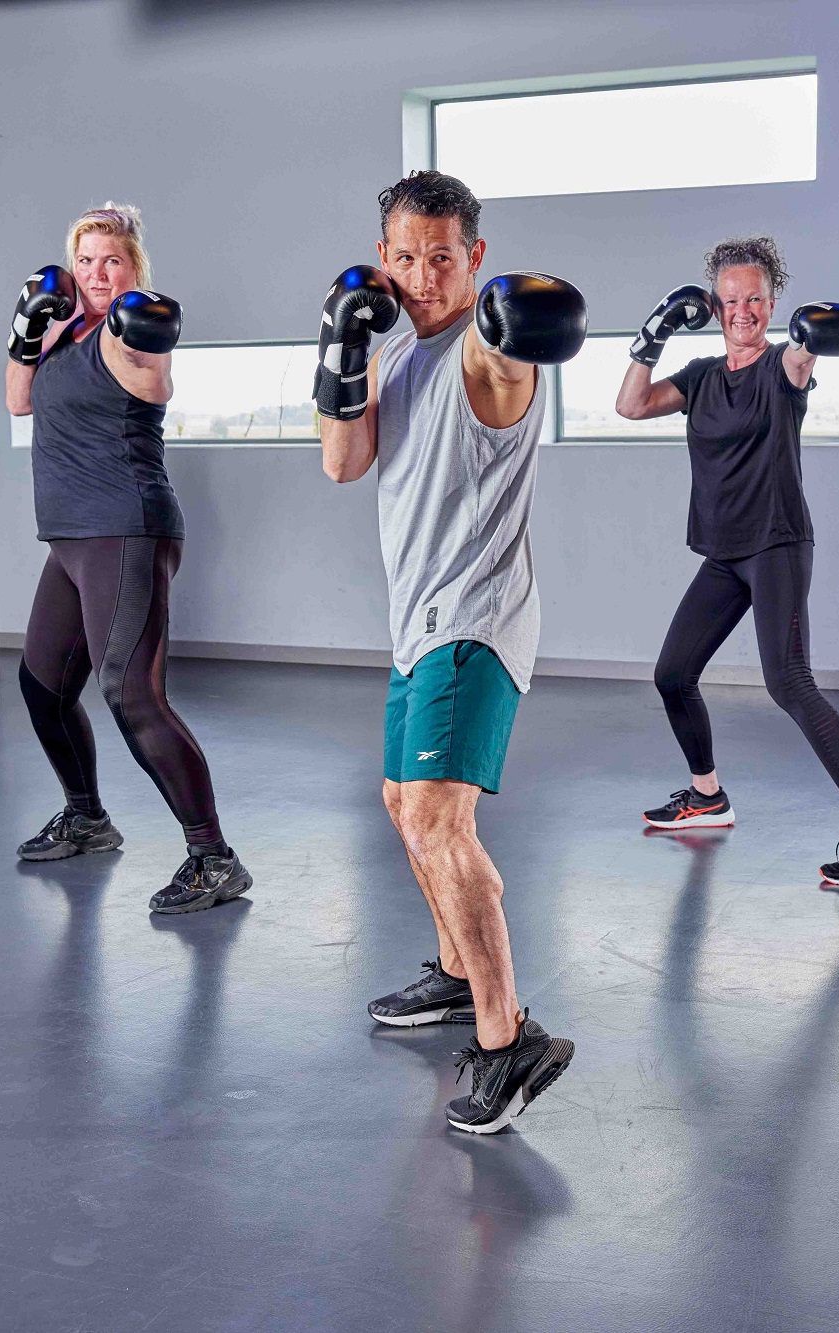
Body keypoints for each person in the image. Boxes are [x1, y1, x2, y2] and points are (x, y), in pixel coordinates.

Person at [318, 170, 584, 1134]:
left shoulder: (483, 347)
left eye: (444, 256)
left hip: (475, 620)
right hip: (416, 620)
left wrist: (525, 321)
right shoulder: (394, 358)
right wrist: (340, 348)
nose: (425, 274)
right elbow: (341, 461)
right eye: (407, 257)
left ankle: (509, 1040)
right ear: (383, 262)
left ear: (475, 258)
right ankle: (455, 968)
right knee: (403, 804)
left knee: (436, 819)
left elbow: (512, 360)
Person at [615, 236, 839, 888]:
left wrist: (814, 334)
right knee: (672, 673)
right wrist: (654, 332)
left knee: (788, 682)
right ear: (716, 305)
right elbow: (630, 405)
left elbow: (807, 355)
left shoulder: (784, 364)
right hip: (723, 553)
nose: (741, 310)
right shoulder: (698, 376)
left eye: (753, 298)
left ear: (771, 302)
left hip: (776, 544)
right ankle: (707, 795)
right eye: (729, 299)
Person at [2, 203, 251, 916]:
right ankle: (86, 815)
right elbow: (19, 401)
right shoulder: (62, 328)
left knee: (131, 694)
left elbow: (155, 386)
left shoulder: (130, 327)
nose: (96, 273)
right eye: (85, 260)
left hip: (125, 525)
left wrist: (132, 334)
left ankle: (213, 856)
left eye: (111, 260)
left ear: (134, 269)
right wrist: (23, 332)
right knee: (41, 685)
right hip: (72, 538)